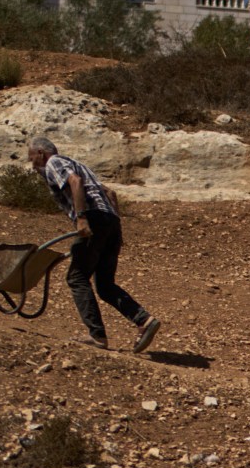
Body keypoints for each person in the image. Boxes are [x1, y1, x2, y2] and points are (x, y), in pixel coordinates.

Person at [26, 136, 161, 354]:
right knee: (105, 285)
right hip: (110, 222)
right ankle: (144, 320)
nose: (31, 163)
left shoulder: (54, 163)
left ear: (41, 153)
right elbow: (110, 193)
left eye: (31, 157)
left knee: (76, 277)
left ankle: (96, 335)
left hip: (93, 219)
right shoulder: (79, 164)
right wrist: (115, 228)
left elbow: (75, 182)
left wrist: (81, 218)